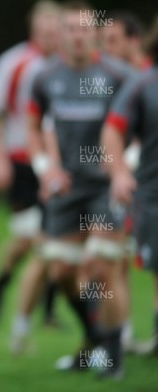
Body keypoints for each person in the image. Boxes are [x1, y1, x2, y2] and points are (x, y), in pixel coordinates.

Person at [27, 1, 134, 378]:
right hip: (65, 187)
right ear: (60, 34)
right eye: (69, 28)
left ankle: (114, 355)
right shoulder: (44, 76)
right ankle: (93, 340)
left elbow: (139, 127)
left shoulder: (118, 75)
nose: (77, 35)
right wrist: (46, 168)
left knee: (103, 267)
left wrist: (125, 164)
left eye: (83, 28)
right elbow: (33, 124)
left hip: (106, 187)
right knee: (60, 272)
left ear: (94, 33)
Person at [0, 1, 62, 334]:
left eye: (56, 31)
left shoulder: (67, 67)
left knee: (55, 238)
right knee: (28, 239)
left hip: (57, 166)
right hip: (21, 163)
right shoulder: (15, 63)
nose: (51, 37)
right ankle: (1, 285)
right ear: (33, 30)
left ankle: (48, 309)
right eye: (45, 31)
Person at [101, 14, 158, 356]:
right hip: (149, 193)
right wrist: (119, 171)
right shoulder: (142, 83)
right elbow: (112, 129)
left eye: (114, 40)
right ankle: (122, 336)